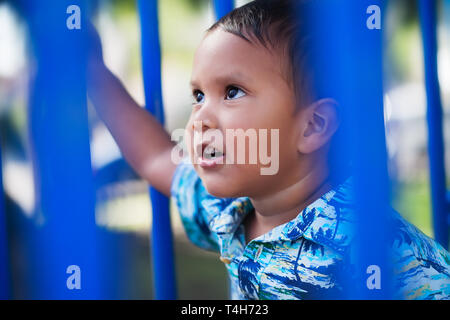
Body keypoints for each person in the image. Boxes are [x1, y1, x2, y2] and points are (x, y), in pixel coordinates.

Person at [88, 0, 450, 299]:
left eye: (232, 92)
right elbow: (155, 158)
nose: (198, 120)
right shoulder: (228, 210)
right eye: (198, 96)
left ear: (313, 126)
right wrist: (92, 70)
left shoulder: (374, 246)